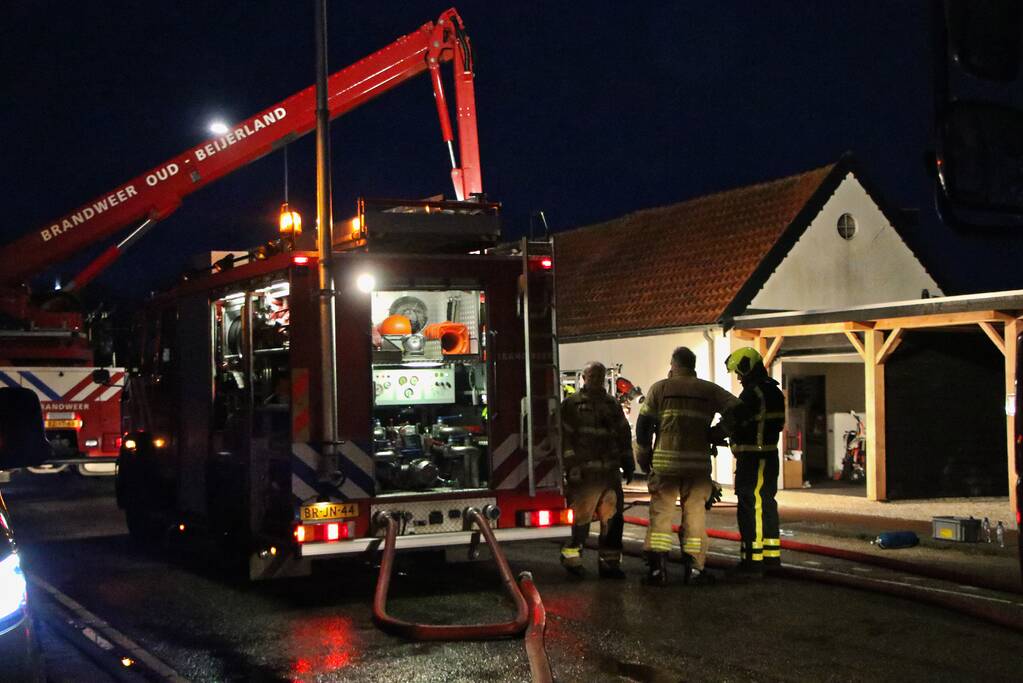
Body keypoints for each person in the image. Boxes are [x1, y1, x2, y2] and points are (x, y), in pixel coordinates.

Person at [636, 347, 740, 586]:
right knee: (695, 516)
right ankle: (695, 569)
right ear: (693, 366)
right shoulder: (708, 390)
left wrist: (643, 456)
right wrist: (718, 432)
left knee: (661, 515)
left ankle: (657, 571)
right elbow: (739, 410)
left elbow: (643, 426)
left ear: (674, 365)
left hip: (665, 467)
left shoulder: (660, 388)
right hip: (697, 468)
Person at [559, 361, 634, 578]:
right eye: (592, 376)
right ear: (584, 378)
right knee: (580, 519)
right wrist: (571, 466)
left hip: (610, 474)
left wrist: (628, 462)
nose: (596, 380)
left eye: (599, 377)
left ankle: (610, 564)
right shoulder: (571, 405)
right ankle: (572, 559)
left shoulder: (612, 405)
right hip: (585, 476)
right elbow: (564, 438)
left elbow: (623, 435)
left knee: (612, 520)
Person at [723, 347, 786, 577]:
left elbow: (735, 422)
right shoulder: (773, 391)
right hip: (768, 457)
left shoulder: (752, 393)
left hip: (753, 459)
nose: (739, 378)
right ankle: (771, 557)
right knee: (766, 503)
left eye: (739, 372)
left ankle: (752, 561)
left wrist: (713, 433)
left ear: (747, 367)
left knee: (752, 505)